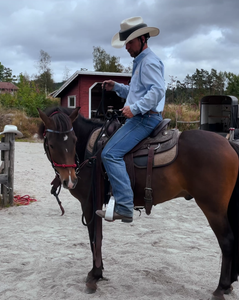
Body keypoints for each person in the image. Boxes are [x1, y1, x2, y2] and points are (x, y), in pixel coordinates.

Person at [95, 16, 165, 223]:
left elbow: (157, 91)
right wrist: (116, 87)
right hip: (142, 116)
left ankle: (125, 206)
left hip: (145, 119)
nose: (126, 47)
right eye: (125, 43)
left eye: (130, 42)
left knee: (110, 154)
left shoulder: (149, 62)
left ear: (143, 39)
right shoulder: (141, 62)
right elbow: (138, 92)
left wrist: (135, 109)